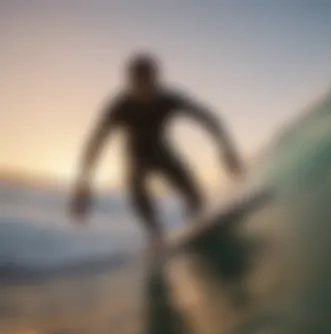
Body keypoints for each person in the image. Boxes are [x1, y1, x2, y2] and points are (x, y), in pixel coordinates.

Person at [70, 53, 244, 251]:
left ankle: (198, 221)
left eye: (149, 83)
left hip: (162, 154)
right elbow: (95, 144)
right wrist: (83, 188)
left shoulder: (168, 99)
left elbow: (208, 118)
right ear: (130, 84)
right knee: (136, 185)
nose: (145, 90)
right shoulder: (120, 106)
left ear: (157, 81)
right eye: (138, 84)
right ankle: (155, 235)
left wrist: (228, 151)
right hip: (136, 158)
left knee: (194, 196)